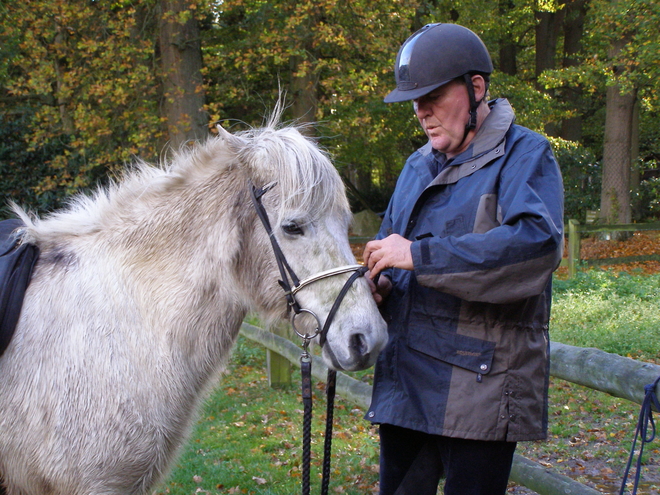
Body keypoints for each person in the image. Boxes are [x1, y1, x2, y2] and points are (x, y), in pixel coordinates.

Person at [363, 23, 564, 495]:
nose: (421, 111)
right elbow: (390, 253)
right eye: (415, 100)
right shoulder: (416, 166)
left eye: (432, 95)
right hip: (406, 384)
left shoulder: (526, 154)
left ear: (476, 89)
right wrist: (380, 283)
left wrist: (418, 255)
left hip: (481, 392)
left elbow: (535, 248)